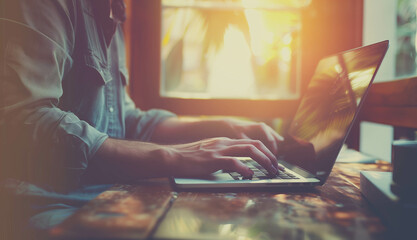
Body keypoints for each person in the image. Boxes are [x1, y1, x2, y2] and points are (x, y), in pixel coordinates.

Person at [0, 0, 284, 236]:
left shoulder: (112, 10)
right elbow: (21, 121)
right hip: (41, 206)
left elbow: (124, 120)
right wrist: (172, 156)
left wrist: (220, 126)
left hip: (102, 196)